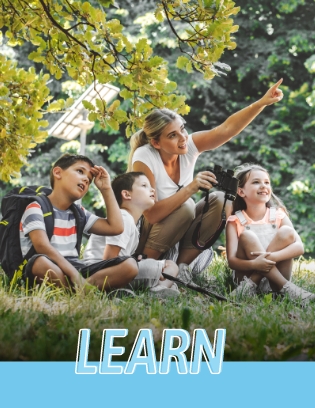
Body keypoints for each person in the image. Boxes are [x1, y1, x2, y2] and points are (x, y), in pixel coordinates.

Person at [128, 79, 284, 281]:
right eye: (173, 135)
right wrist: (191, 188)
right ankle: (147, 269)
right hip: (148, 235)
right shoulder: (144, 156)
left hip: (177, 232)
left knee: (221, 200)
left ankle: (181, 269)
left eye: (182, 129)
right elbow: (151, 214)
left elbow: (226, 130)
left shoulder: (187, 147)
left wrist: (260, 103)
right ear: (156, 143)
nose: (183, 138)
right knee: (186, 206)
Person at [19, 154, 138, 291]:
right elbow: (42, 246)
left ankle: (78, 290)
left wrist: (106, 189)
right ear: (58, 173)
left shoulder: (79, 213)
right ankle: (86, 290)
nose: (85, 179)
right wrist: (74, 274)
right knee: (40, 263)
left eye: (89, 179)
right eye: (80, 171)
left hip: (77, 268)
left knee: (130, 266)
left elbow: (116, 227)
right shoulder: (35, 207)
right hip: (49, 265)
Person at [226, 163, 315, 305]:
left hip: (276, 281)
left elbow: (299, 248)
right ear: (241, 192)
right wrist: (256, 264)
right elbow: (232, 261)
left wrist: (270, 258)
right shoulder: (235, 221)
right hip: (246, 280)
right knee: (247, 236)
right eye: (256, 182)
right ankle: (286, 289)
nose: (263, 186)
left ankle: (281, 288)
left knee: (287, 232)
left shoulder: (278, 214)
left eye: (266, 182)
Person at [83, 172, 180, 297]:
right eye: (144, 185)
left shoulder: (128, 221)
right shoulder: (124, 218)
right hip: (103, 274)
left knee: (171, 279)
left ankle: (157, 287)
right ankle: (156, 291)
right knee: (170, 266)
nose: (152, 189)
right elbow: (109, 259)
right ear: (126, 194)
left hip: (104, 271)